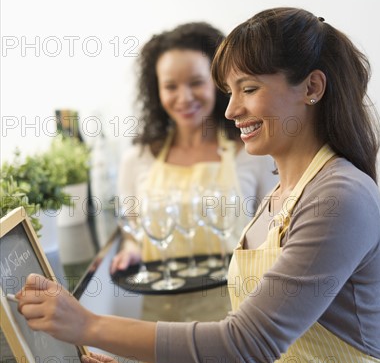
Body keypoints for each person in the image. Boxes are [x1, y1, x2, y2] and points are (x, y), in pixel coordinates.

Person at [16, 8, 380, 363]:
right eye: (230, 91)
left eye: (248, 88)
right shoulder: (285, 190)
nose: (231, 110)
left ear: (312, 88)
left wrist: (86, 324)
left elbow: (246, 343)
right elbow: (255, 329)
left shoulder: (338, 196)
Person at [111, 21, 277, 271]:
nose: (184, 97)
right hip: (161, 303)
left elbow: (271, 236)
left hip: (240, 302)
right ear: (156, 91)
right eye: (170, 87)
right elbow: (133, 234)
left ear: (219, 84)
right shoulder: (136, 159)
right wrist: (130, 251)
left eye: (196, 82)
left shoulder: (252, 152)